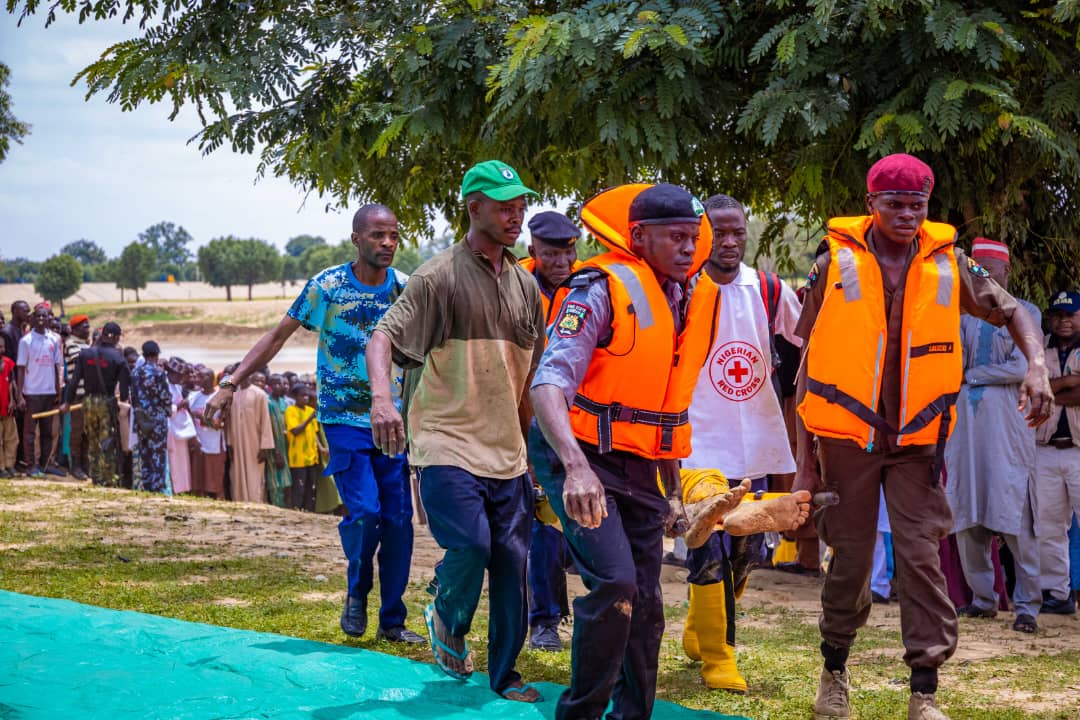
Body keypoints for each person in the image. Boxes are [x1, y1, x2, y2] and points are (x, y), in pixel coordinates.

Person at [793, 154, 1052, 720]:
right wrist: (805, 466)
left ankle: (924, 692)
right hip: (847, 440)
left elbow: (1015, 314)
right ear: (871, 204)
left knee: (920, 560)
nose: (908, 215)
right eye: (895, 204)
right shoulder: (832, 263)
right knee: (851, 562)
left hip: (918, 443)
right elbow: (806, 365)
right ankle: (834, 672)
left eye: (918, 205)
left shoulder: (950, 264)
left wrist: (1036, 365)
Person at [527, 182, 733, 719]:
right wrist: (575, 469)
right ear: (638, 237)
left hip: (640, 464)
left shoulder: (689, 297)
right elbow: (548, 385)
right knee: (615, 583)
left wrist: (673, 492)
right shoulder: (599, 290)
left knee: (645, 600)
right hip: (579, 455)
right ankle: (580, 713)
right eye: (675, 237)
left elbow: (662, 408)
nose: (689, 248)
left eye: (694, 237)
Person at [206, 203, 423, 645]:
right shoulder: (327, 286)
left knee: (399, 520)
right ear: (356, 239)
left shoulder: (405, 288)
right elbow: (277, 337)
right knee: (366, 513)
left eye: (393, 236)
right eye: (378, 235)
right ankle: (357, 591)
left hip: (391, 421)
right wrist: (231, 382)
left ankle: (393, 620)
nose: (387, 243)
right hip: (343, 418)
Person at [367, 161, 545, 700]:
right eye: (505, 207)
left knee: (513, 565)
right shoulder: (437, 277)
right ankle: (447, 614)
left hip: (507, 451)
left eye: (520, 207)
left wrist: (533, 454)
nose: (516, 216)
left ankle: (505, 674)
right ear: (474, 207)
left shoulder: (527, 286)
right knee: (470, 545)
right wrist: (382, 400)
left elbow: (528, 381)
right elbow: (381, 338)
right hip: (444, 441)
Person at [679, 193, 804, 693]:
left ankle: (699, 627)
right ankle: (719, 657)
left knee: (747, 552)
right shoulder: (683, 288)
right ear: (702, 235)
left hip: (754, 444)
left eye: (737, 233)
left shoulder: (769, 289)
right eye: (719, 233)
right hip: (697, 443)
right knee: (708, 544)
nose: (729, 242)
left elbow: (808, 342)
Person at [943, 238, 1043, 632]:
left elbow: (1021, 368)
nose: (981, 274)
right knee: (967, 516)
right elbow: (949, 366)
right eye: (975, 267)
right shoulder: (960, 318)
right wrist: (971, 376)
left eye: (988, 267)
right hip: (965, 435)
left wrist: (972, 376)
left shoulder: (1026, 313)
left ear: (1006, 271)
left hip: (1007, 433)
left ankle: (1028, 607)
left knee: (1017, 517)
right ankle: (982, 600)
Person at [519, 210, 582, 652]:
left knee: (572, 524)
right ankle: (543, 620)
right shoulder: (516, 289)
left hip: (581, 420)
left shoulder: (588, 285)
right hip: (530, 418)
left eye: (567, 253)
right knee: (542, 524)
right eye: (550, 254)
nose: (561, 262)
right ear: (533, 252)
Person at [1035, 290, 1080, 615]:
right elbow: (1030, 390)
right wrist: (1069, 383)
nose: (1064, 321)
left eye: (1071, 315)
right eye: (1059, 315)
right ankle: (1058, 594)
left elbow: (1044, 392)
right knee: (1049, 526)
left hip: (1078, 450)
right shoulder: (1038, 347)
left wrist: (1050, 389)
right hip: (1046, 449)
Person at [60, 321, 130, 486]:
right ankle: (107, 478)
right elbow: (124, 388)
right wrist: (123, 402)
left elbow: (74, 381)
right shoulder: (118, 357)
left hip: (88, 402)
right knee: (107, 440)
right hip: (107, 402)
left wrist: (68, 403)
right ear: (116, 337)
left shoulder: (85, 354)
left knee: (92, 440)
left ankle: (95, 475)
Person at [16, 303, 63, 478]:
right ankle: (30, 465)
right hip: (31, 393)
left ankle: (45, 464)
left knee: (47, 431)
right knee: (29, 432)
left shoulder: (54, 339)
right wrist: (20, 395)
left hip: (49, 392)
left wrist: (58, 390)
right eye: (38, 316)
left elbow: (57, 365)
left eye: (44, 316)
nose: (42, 319)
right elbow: (21, 368)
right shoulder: (26, 341)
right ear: (32, 319)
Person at [223, 372, 275, 503]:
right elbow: (229, 421)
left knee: (255, 474)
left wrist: (265, 447)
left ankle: (255, 501)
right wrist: (229, 443)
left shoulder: (259, 394)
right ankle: (239, 500)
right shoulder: (233, 394)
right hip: (236, 443)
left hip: (255, 443)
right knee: (237, 473)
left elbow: (265, 421)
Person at [130, 341, 171, 493]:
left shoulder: (135, 372)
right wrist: (168, 410)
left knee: (145, 452)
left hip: (141, 419)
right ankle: (157, 486)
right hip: (157, 419)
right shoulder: (159, 373)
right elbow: (165, 396)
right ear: (157, 354)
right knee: (158, 454)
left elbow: (133, 396)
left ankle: (146, 485)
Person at [188, 367, 226, 499]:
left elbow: (220, 424)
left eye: (202, 376)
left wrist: (202, 418)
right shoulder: (193, 397)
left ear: (211, 379)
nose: (198, 379)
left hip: (214, 445)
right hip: (198, 444)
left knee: (216, 482)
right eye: (198, 376)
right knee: (199, 481)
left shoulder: (219, 397)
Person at [285, 384, 325, 511]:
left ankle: (308, 510)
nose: (306, 398)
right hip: (298, 458)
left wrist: (321, 448)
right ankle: (297, 509)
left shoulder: (309, 410)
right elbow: (295, 431)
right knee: (299, 487)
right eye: (302, 396)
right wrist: (309, 419)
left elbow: (314, 433)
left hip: (311, 456)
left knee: (311, 486)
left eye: (307, 396)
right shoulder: (290, 411)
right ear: (295, 397)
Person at [62, 314, 92, 480]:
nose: (88, 329)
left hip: (88, 394)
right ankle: (75, 466)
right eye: (84, 326)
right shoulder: (70, 343)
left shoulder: (86, 344)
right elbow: (82, 360)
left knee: (88, 431)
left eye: (88, 326)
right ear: (74, 329)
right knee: (77, 431)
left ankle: (86, 464)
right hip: (77, 395)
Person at [165, 358, 196, 494]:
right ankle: (173, 488)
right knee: (173, 461)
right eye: (179, 375)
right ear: (171, 373)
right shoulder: (164, 386)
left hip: (180, 430)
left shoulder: (177, 387)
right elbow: (165, 409)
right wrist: (179, 405)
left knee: (182, 461)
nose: (181, 379)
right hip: (170, 429)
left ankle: (182, 489)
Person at [264, 373, 293, 507]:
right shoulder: (267, 402)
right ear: (269, 386)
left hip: (287, 445)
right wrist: (276, 451)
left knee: (287, 480)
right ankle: (277, 507)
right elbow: (268, 428)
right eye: (275, 384)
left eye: (281, 383)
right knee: (276, 480)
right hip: (273, 446)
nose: (279, 386)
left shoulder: (284, 402)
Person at [0, 333, 20, 478]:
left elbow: (12, 383)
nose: (1, 349)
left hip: (7, 408)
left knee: (11, 438)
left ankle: (9, 465)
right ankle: (1, 467)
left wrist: (13, 400)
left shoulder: (8, 362)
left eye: (2, 346)